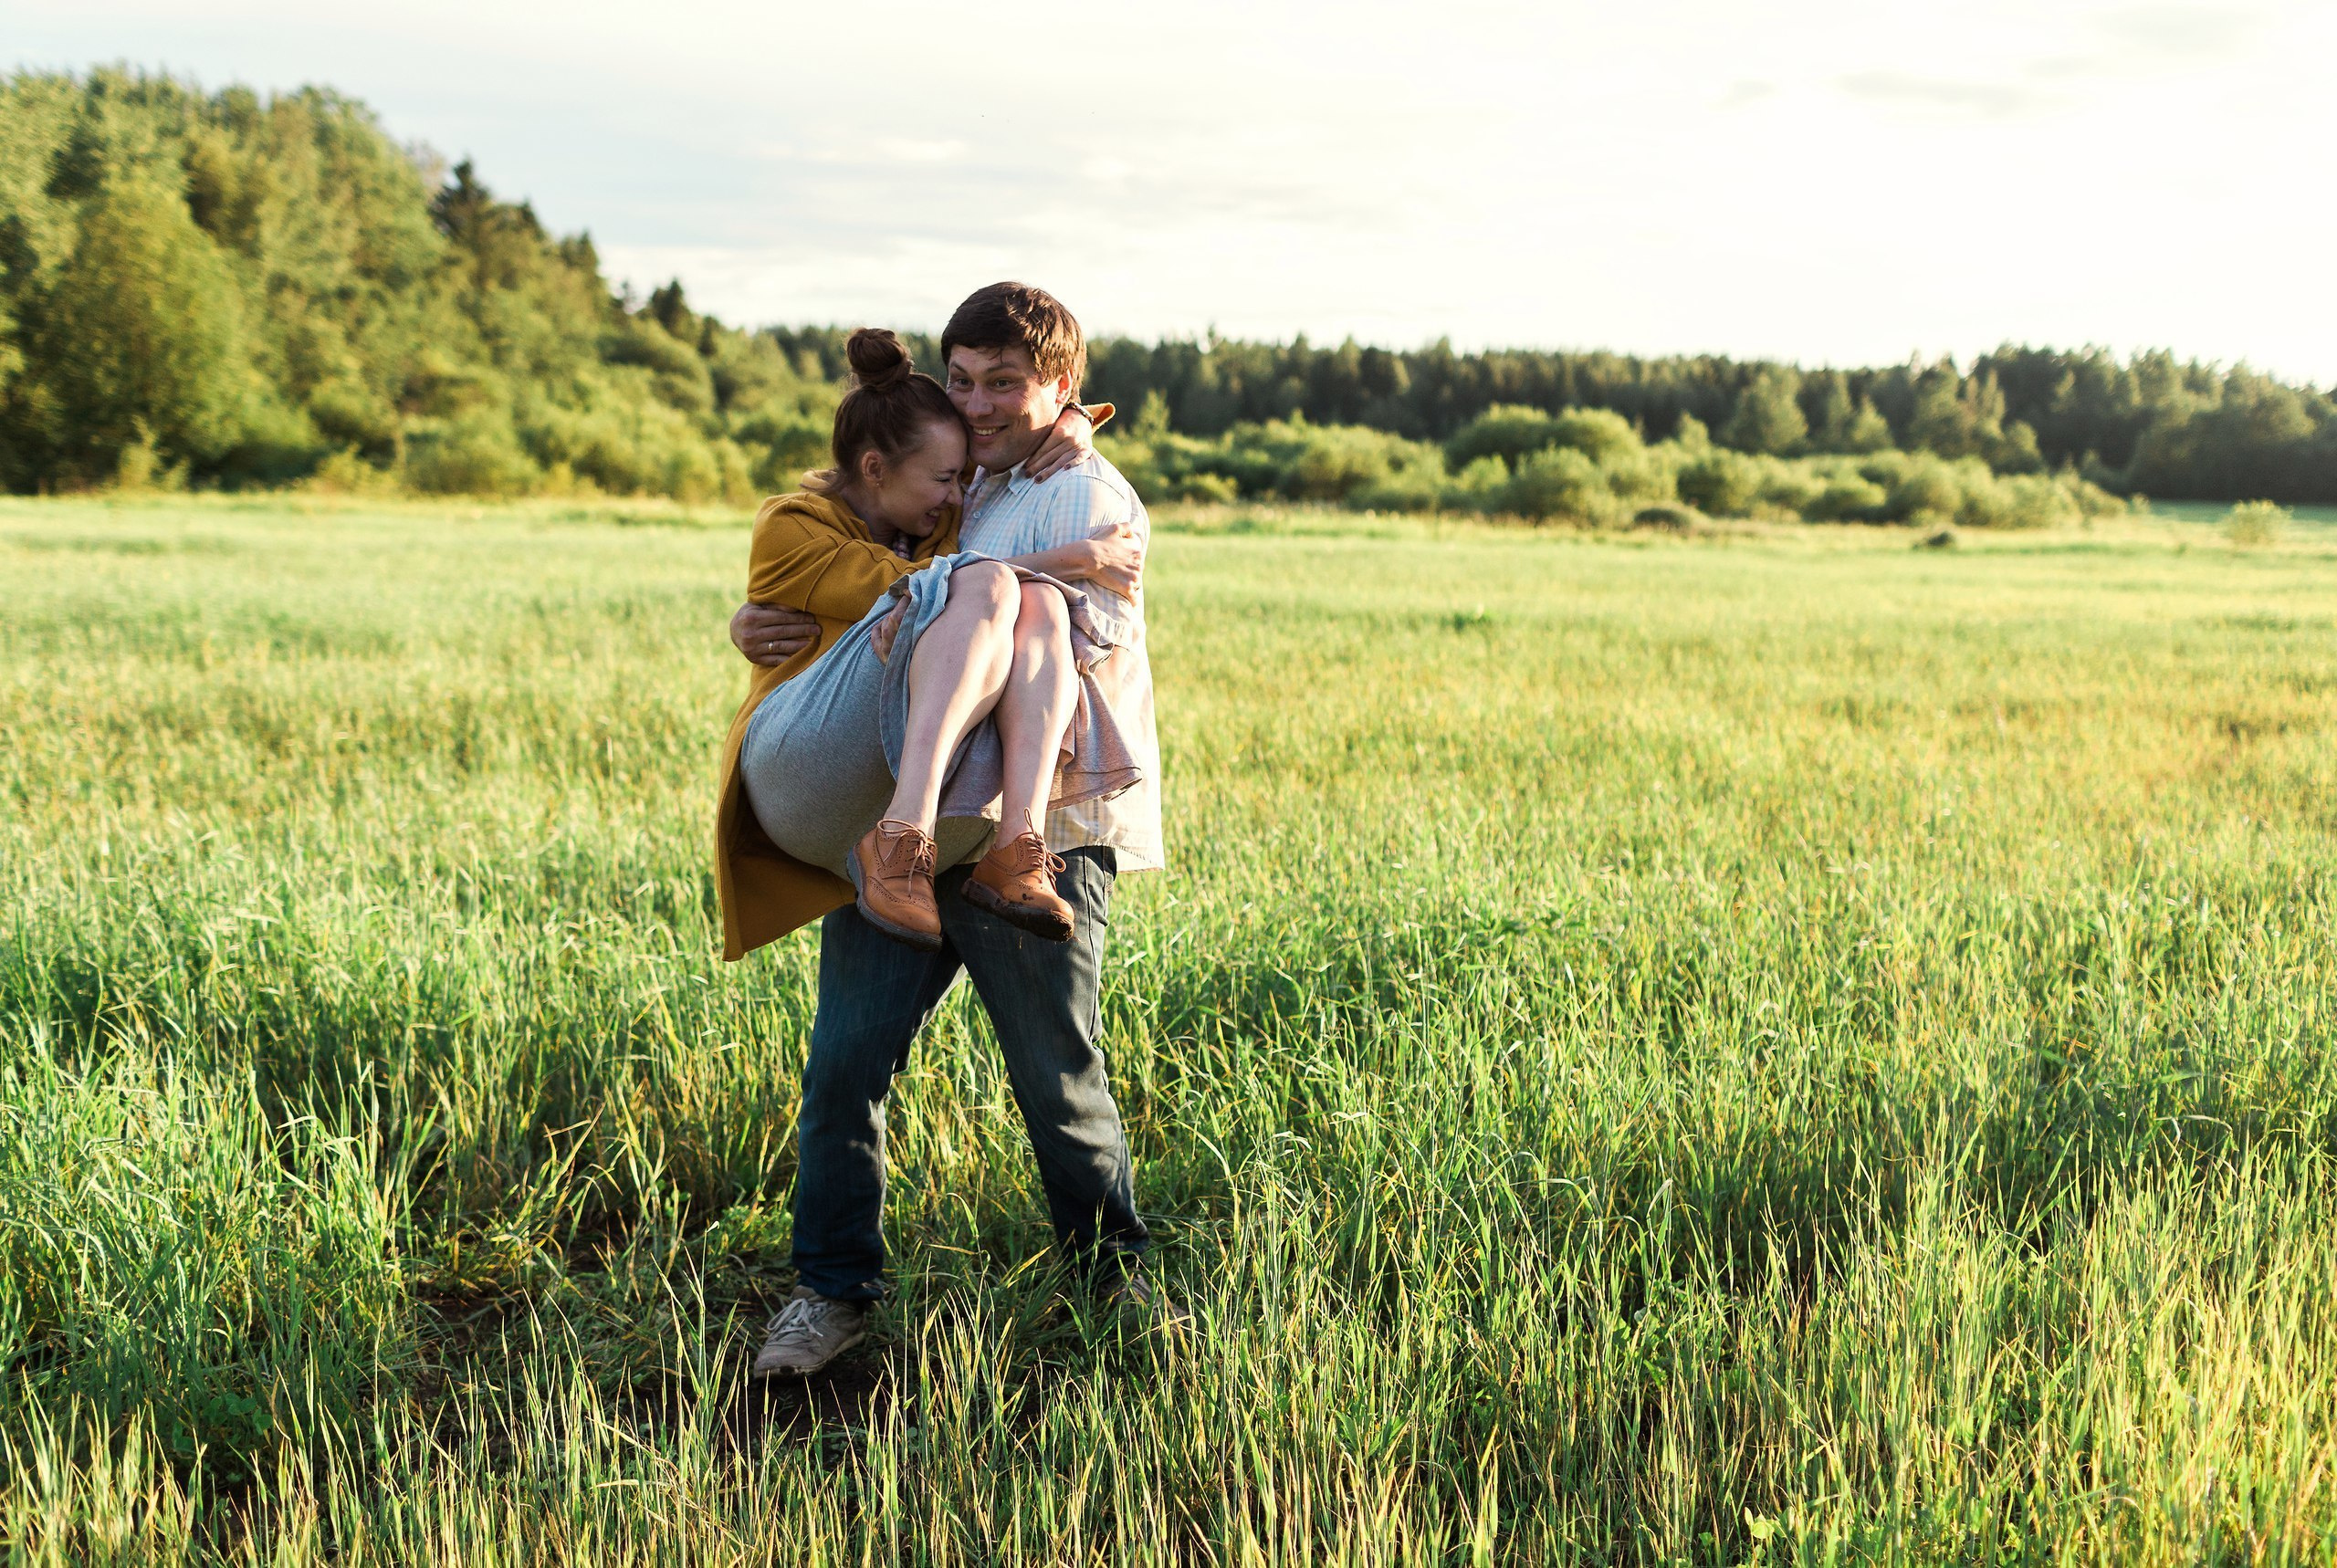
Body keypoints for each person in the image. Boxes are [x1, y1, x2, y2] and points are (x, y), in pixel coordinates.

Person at [727, 285, 1172, 1377]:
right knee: (844, 1066)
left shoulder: (1083, 493)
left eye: (1003, 384)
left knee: (1056, 1074)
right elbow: (872, 565)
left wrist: (1025, 572)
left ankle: (1114, 1285)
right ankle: (829, 1291)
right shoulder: (968, 477)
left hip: (1039, 832)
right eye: (962, 380)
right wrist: (762, 617)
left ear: (1062, 385)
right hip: (910, 822)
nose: (974, 405)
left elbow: (1045, 645)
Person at [717, 328, 1137, 957]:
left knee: (1042, 601)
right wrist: (1079, 557)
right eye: (945, 479)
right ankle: (902, 831)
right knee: (979, 581)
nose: (958, 494)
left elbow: (1002, 435)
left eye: (960, 477)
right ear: (874, 469)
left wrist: (1072, 419)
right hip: (797, 772)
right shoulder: (791, 524)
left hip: (877, 762)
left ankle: (1016, 848)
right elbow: (919, 586)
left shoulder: (929, 507)